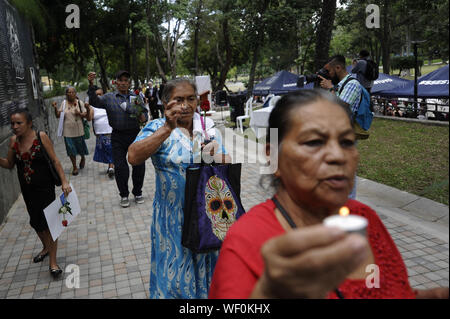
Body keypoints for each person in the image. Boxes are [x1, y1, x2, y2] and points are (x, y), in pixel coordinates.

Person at [209, 90, 449, 299]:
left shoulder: (366, 218)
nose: (338, 156)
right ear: (273, 157)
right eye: (314, 142)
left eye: (347, 142)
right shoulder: (246, 242)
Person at [128, 78, 231, 298]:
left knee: (209, 274)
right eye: (179, 99)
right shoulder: (156, 127)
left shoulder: (208, 128)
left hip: (208, 219)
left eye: (191, 99)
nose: (185, 105)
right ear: (166, 102)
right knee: (175, 280)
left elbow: (227, 164)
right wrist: (167, 128)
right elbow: (133, 156)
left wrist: (216, 154)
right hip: (173, 221)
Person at [0, 109, 72, 277]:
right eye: (12, 124)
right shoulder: (13, 141)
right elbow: (9, 164)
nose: (15, 127)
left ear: (29, 123)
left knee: (50, 224)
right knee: (36, 223)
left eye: (19, 123)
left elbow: (55, 160)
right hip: (27, 190)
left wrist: (64, 182)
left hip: (45, 188)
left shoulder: (41, 137)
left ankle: (53, 262)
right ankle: (46, 247)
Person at [87, 70, 148, 208]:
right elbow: (94, 102)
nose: (123, 83)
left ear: (129, 83)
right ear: (115, 82)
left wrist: (140, 115)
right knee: (120, 167)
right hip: (117, 136)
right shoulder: (109, 97)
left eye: (126, 80)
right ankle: (124, 195)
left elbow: (144, 116)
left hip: (135, 135)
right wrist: (91, 85)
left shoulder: (136, 97)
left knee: (138, 164)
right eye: (120, 80)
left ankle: (137, 192)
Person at [319, 55, 362, 200]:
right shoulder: (339, 85)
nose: (329, 74)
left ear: (338, 68)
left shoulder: (352, 84)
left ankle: (349, 202)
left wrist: (330, 88)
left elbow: (342, 107)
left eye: (330, 71)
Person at [52, 86, 89, 176]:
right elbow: (58, 115)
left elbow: (85, 114)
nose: (71, 94)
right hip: (67, 131)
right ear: (66, 94)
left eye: (73, 92)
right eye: (69, 92)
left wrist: (79, 113)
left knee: (80, 147)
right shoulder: (64, 103)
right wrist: (55, 108)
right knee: (70, 149)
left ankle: (83, 157)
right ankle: (75, 167)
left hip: (79, 130)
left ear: (75, 94)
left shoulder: (80, 103)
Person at [86, 87, 115, 178]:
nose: (99, 96)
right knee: (105, 151)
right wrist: (87, 109)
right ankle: (111, 165)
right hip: (99, 133)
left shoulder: (108, 104)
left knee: (110, 149)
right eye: (97, 95)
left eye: (100, 94)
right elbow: (89, 118)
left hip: (110, 131)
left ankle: (111, 167)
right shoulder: (92, 107)